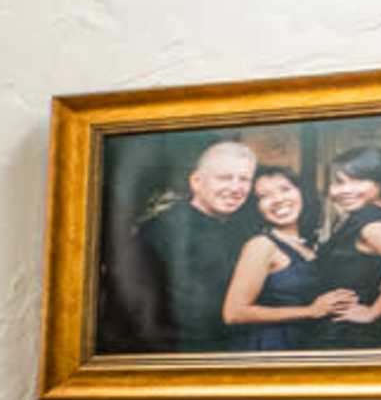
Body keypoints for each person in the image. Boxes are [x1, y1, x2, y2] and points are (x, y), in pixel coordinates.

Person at [106, 140, 256, 353]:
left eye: (244, 179)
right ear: (196, 182)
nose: (235, 188)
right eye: (224, 178)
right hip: (177, 352)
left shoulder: (241, 229)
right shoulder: (162, 228)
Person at [218, 166, 357, 349]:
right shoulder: (261, 245)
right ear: (255, 207)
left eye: (285, 189)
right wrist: (310, 311)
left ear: (301, 193)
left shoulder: (306, 245)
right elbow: (234, 313)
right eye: (264, 196)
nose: (278, 199)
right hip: (271, 347)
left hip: (305, 344)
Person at [305, 145, 381, 341]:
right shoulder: (374, 216)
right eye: (338, 183)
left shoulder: (371, 222)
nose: (345, 190)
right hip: (345, 328)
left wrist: (373, 312)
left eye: (358, 181)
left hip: (347, 333)